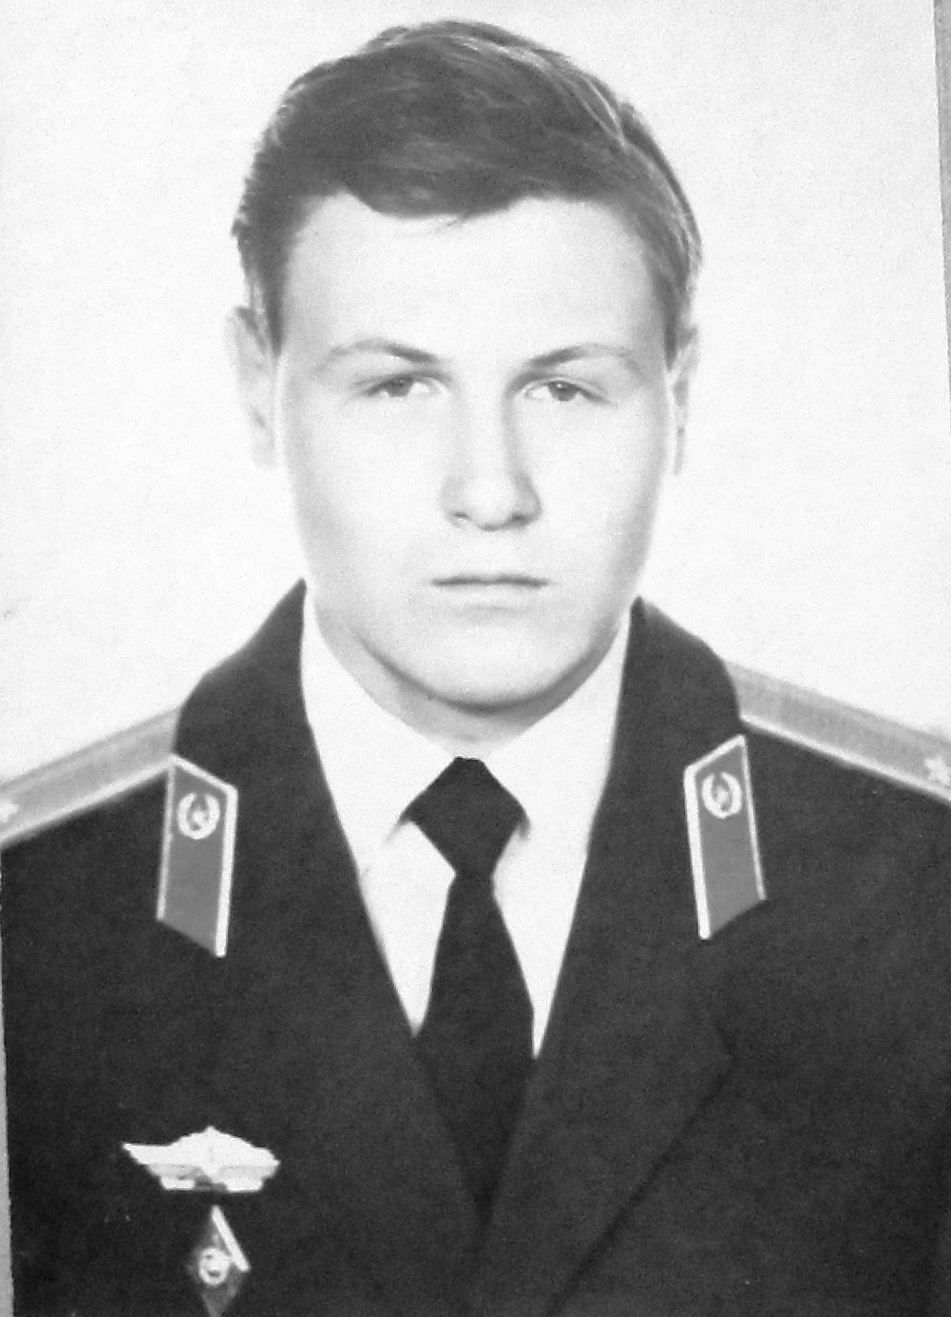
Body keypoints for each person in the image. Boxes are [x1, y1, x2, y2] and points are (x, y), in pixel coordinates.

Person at [3, 18, 951, 1316]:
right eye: (399, 388)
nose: (491, 492)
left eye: (564, 389)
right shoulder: (41, 921)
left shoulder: (913, 896)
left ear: (679, 393)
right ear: (257, 384)